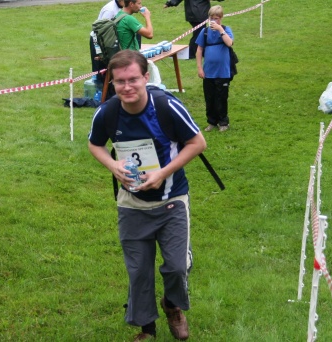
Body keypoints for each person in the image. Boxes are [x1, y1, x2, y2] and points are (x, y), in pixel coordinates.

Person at [88, 49, 206, 341]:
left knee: (177, 267)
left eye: (132, 80)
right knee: (139, 270)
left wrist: (162, 173)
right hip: (131, 205)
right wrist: (114, 165)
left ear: (145, 77)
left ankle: (172, 305)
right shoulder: (107, 112)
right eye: (119, 82)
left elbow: (197, 142)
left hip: (172, 200)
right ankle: (146, 329)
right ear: (112, 83)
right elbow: (95, 145)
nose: (127, 87)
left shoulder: (166, 106)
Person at [195, 5, 234, 132]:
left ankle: (223, 122)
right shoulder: (205, 32)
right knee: (209, 98)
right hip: (208, 72)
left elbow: (229, 43)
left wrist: (220, 30)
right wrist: (200, 68)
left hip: (223, 72)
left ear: (221, 18)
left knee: (221, 97)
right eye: (211, 18)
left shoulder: (226, 30)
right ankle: (212, 121)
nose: (213, 21)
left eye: (216, 18)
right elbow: (199, 50)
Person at [90, 0, 125, 86]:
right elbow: (102, 29)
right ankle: (100, 92)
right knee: (101, 68)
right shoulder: (109, 10)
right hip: (99, 40)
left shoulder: (120, 7)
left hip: (108, 39)